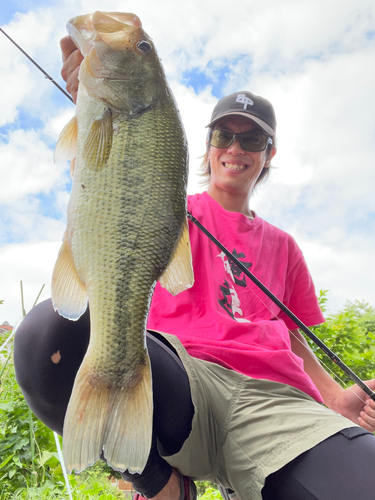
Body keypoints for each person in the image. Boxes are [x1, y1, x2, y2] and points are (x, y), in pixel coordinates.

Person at [14, 36, 375, 500]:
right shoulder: (165, 206)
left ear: (269, 153)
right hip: (181, 381)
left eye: (253, 138)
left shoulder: (284, 246)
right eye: (225, 135)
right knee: (46, 337)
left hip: (276, 400)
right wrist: (97, 118)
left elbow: (290, 332)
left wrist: (334, 395)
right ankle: (162, 483)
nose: (236, 147)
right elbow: (104, 193)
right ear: (208, 145)